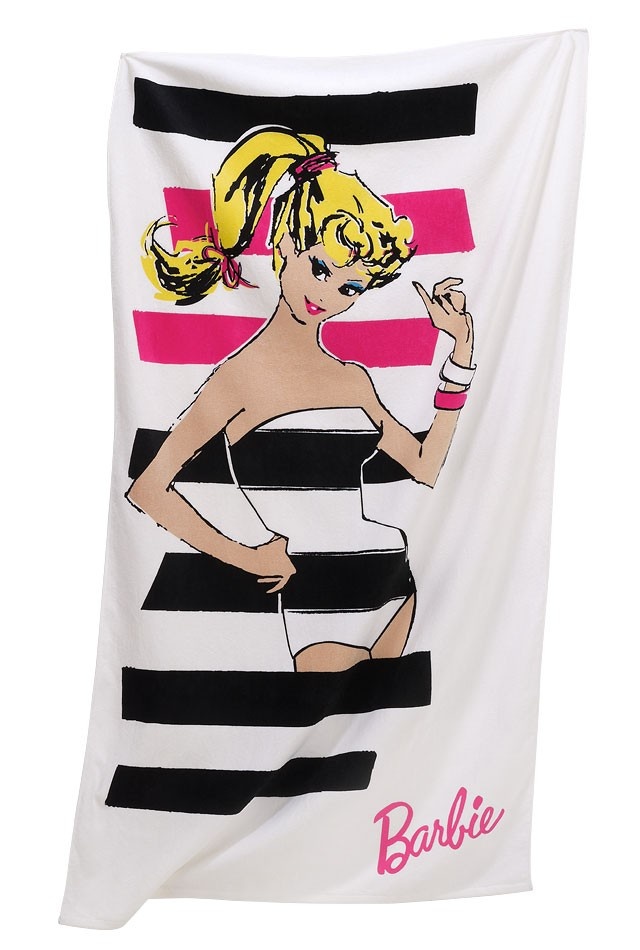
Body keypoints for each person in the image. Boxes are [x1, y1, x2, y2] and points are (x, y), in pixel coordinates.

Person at [128, 126, 475, 674]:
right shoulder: (237, 378)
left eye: (350, 287)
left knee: (389, 727)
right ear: (285, 243)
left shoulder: (353, 380)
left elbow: (426, 466)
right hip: (314, 598)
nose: (327, 294)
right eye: (320, 267)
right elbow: (149, 488)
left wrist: (461, 353)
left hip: (390, 584)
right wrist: (245, 556)